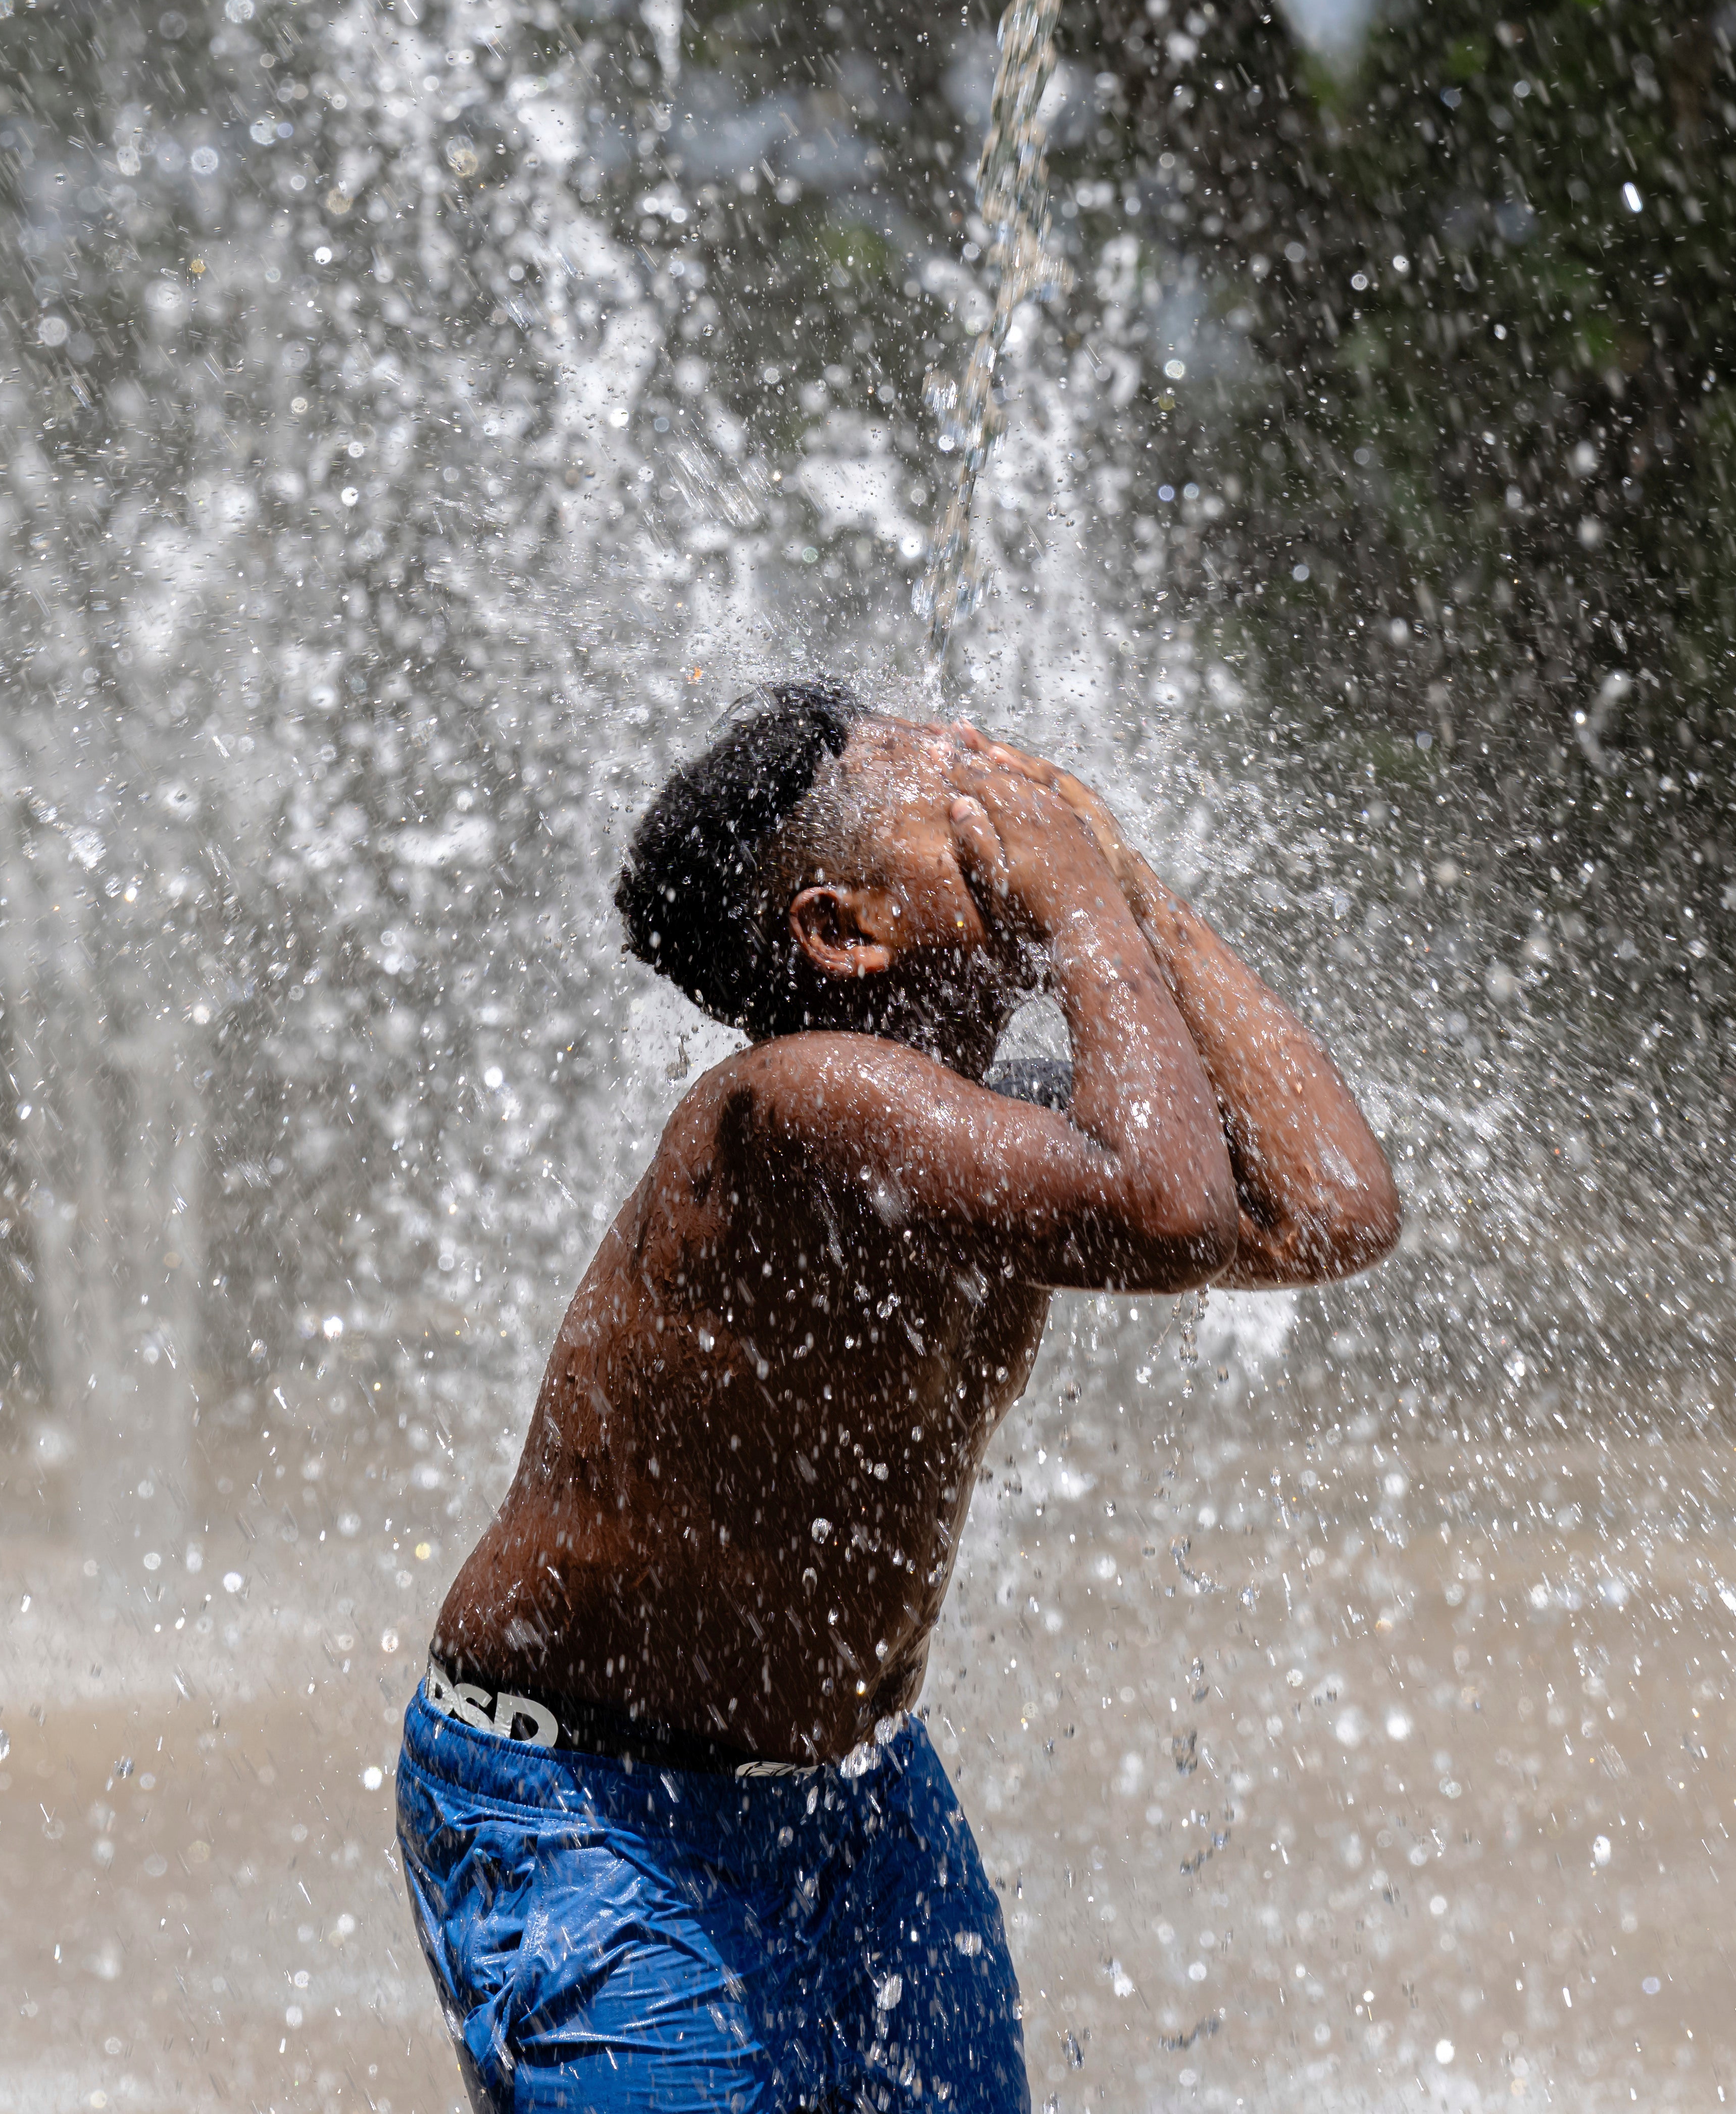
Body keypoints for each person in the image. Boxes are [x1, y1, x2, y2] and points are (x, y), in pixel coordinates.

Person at [395, 679, 1398, 2110]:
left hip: (855, 1801)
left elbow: (1335, 1207)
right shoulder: (793, 1109)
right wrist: (1083, 914)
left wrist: (1140, 894)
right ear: (843, 928)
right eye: (949, 782)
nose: (1001, 778)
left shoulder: (1012, 1138)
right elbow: (1168, 1210)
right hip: (592, 1809)